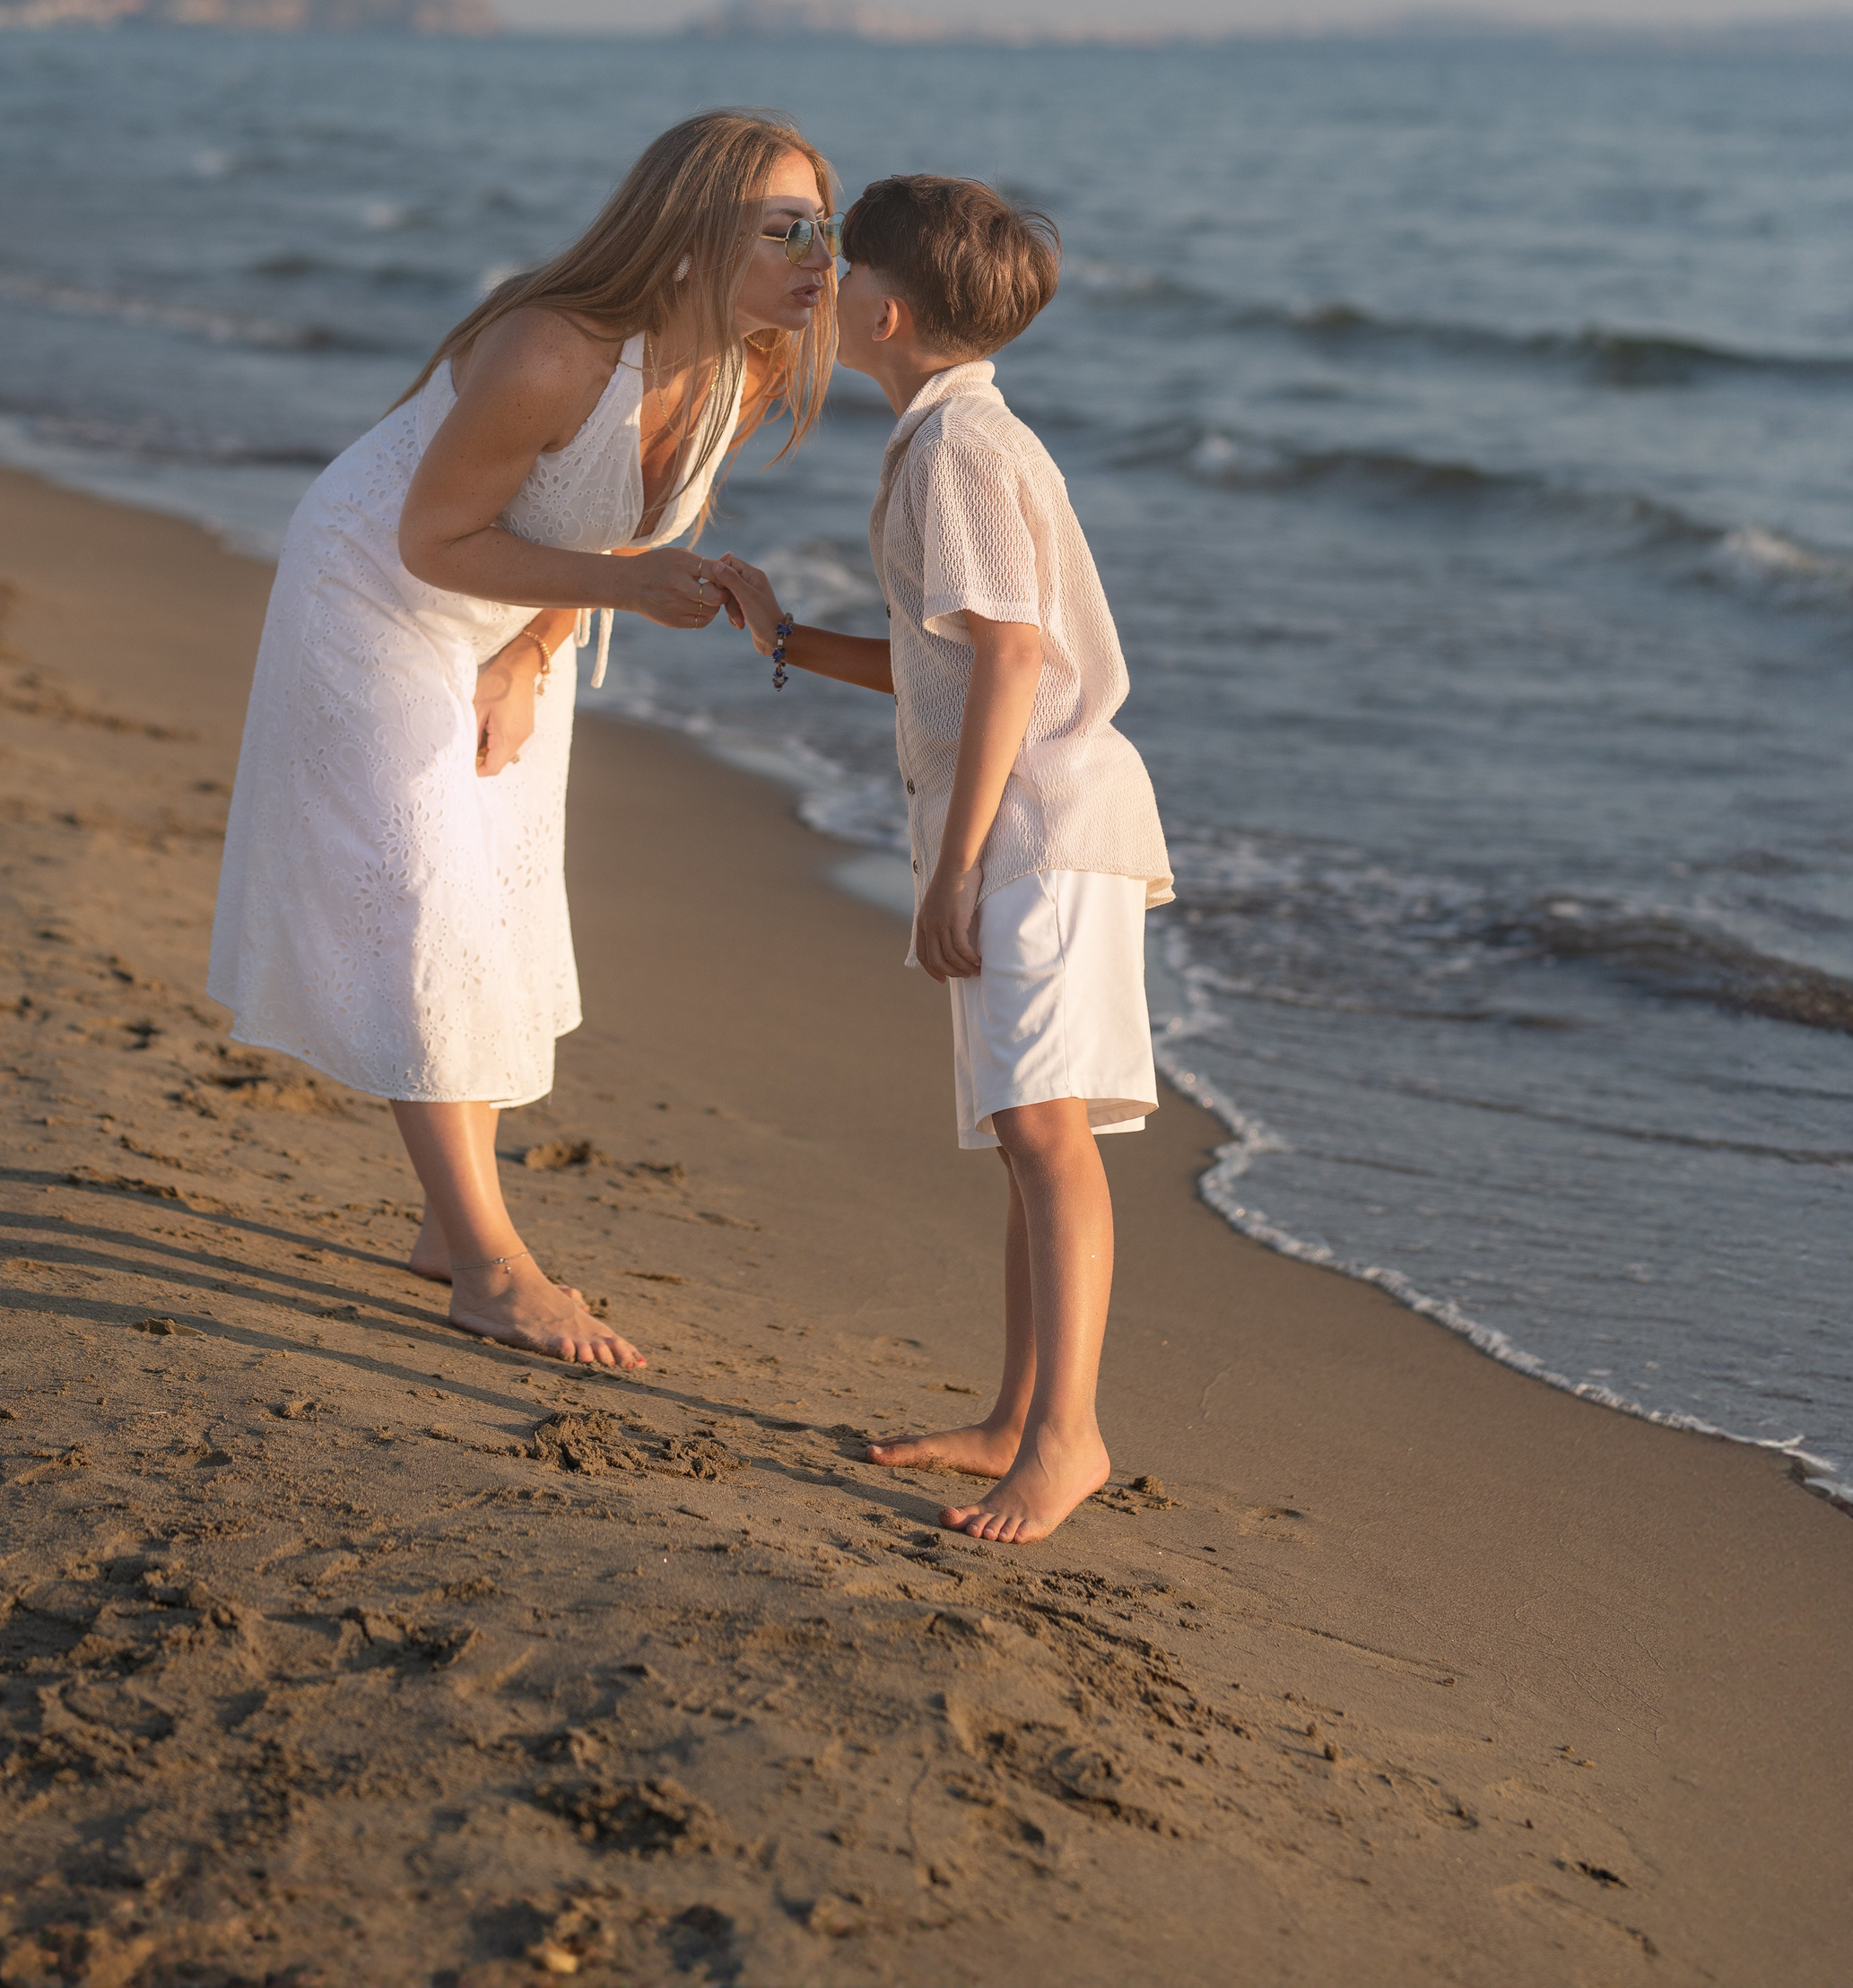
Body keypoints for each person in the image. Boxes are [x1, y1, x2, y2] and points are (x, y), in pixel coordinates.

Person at [208, 111, 840, 1365]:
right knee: (424, 895)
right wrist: (616, 596)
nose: (821, 252)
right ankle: (492, 1267)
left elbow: (608, 534)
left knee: (489, 900)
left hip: (510, 607)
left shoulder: (749, 359)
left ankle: (451, 1223)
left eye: (832, 225)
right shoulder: (553, 350)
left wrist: (533, 652)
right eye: (789, 228)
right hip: (377, 588)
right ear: (693, 228)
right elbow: (433, 538)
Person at [715, 175, 1172, 1541]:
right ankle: (1018, 1415)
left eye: (840, 263)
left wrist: (955, 866)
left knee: (1047, 1133)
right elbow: (944, 665)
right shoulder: (948, 436)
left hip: (1040, 828)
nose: (825, 281)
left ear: (888, 310)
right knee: (1033, 1136)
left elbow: (1016, 660)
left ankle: (1069, 1436)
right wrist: (785, 639)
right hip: (1025, 823)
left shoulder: (961, 450)